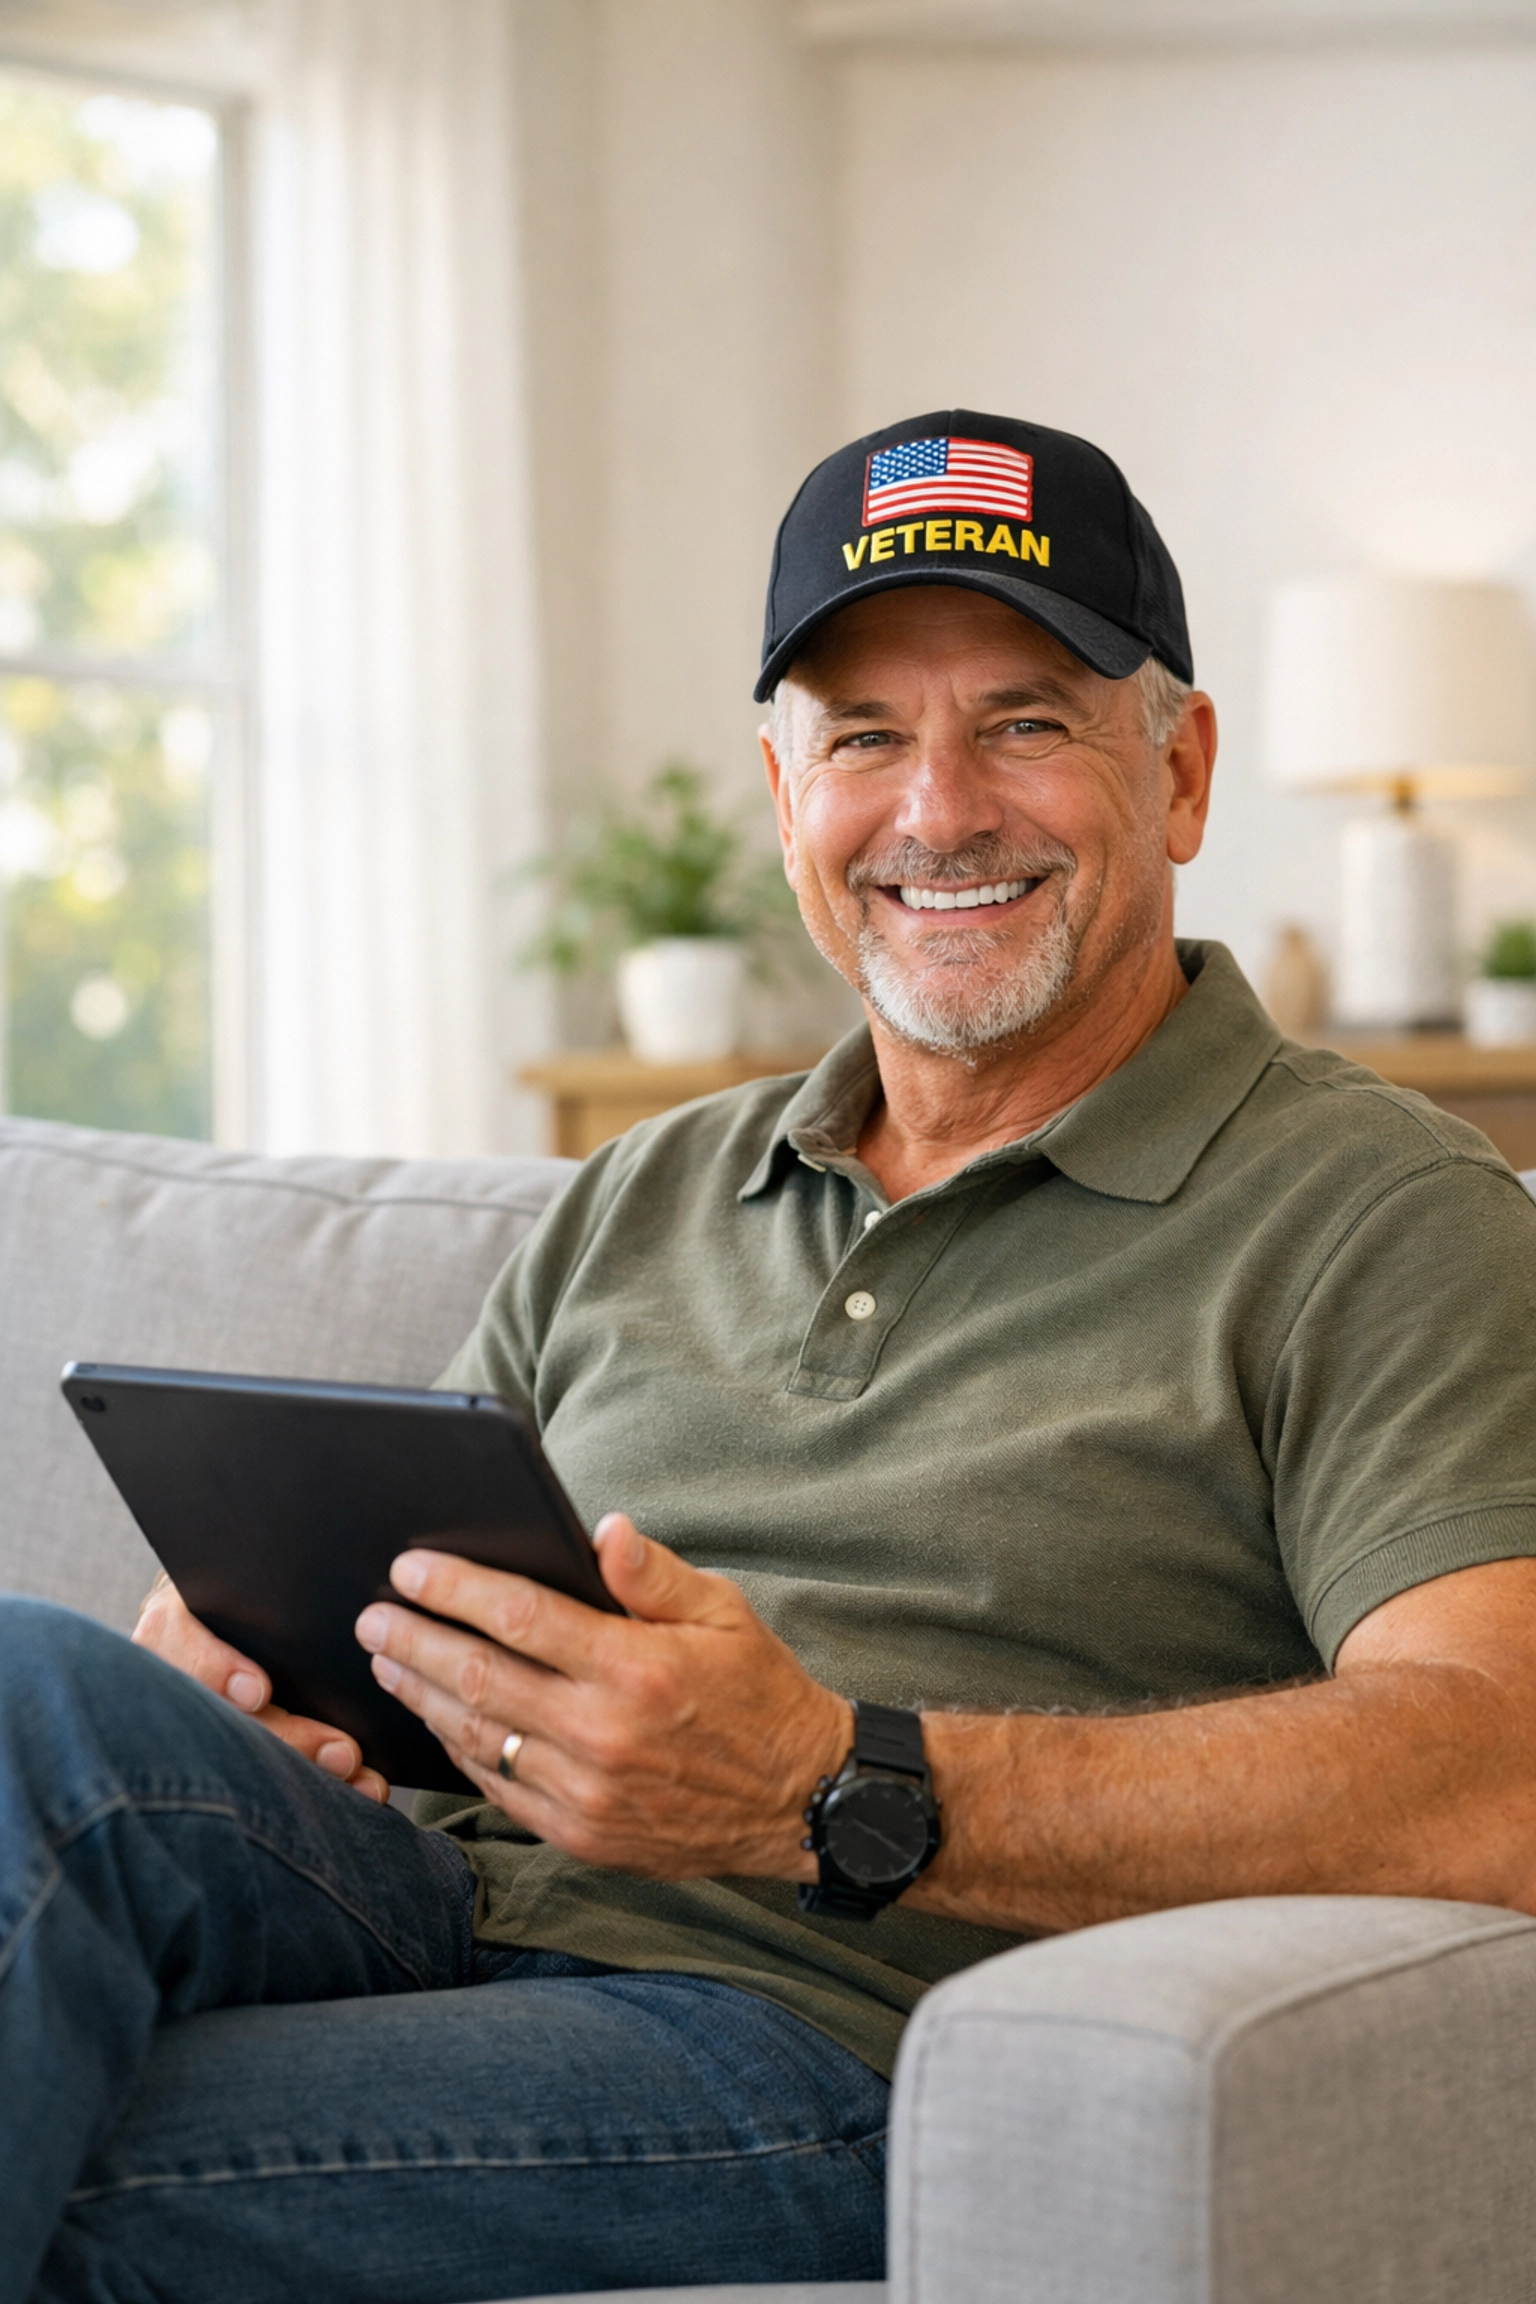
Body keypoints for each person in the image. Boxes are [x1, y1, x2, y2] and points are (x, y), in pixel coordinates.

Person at [5, 409, 1536, 2304]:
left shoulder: (1381, 1211)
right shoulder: (647, 1188)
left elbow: (1499, 1774)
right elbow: (406, 1607)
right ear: (783, 791)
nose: (938, 811)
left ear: (1183, 771)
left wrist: (830, 1782)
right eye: (863, 737)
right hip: (419, 1899)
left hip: (813, 2027)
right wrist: (265, 1671)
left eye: (1027, 722)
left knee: (70, 2167)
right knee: (33, 1682)